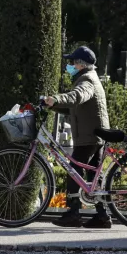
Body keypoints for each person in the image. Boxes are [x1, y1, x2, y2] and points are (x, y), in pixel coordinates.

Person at [44, 46, 112, 229]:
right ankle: (102, 215)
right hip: (95, 132)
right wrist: (53, 105)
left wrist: (57, 98)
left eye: (73, 62)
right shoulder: (89, 77)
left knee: (74, 171)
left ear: (81, 64)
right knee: (93, 174)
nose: (70, 65)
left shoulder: (87, 80)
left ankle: (73, 213)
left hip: (89, 135)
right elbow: (74, 106)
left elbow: (78, 96)